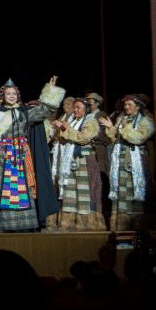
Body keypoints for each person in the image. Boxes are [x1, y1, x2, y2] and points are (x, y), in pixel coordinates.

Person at [0, 76, 63, 232]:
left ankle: (26, 222)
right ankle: (6, 223)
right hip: (4, 155)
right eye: (8, 93)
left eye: (14, 93)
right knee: (5, 187)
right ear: (3, 96)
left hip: (21, 154)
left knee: (24, 187)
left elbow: (43, 111)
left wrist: (50, 90)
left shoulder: (25, 113)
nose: (12, 96)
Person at [99, 94, 155, 230]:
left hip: (136, 161)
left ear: (138, 107)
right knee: (121, 191)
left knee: (134, 191)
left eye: (130, 105)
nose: (126, 107)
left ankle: (135, 224)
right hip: (120, 160)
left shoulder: (146, 121)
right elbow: (115, 138)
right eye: (125, 104)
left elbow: (139, 138)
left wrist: (125, 128)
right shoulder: (122, 118)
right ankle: (120, 223)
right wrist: (111, 127)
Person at [51, 97, 105, 230]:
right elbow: (66, 137)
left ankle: (86, 222)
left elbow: (83, 138)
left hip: (85, 159)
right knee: (71, 190)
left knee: (84, 191)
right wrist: (61, 129)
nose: (75, 110)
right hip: (71, 160)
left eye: (78, 108)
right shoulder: (73, 121)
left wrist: (65, 129)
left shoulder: (90, 121)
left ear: (85, 109)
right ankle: (69, 221)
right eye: (74, 107)